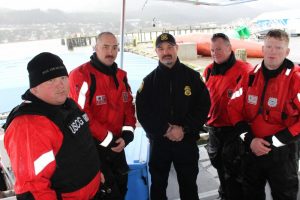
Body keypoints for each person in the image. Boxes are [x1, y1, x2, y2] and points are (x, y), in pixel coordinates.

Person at [2, 52, 102, 199]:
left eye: (62, 78)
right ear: (34, 88)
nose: (60, 85)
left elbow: (83, 145)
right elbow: (33, 190)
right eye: (50, 81)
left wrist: (97, 175)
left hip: (95, 191)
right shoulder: (28, 126)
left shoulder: (68, 105)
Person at [136, 32, 211, 200]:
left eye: (170, 47)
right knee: (158, 186)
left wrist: (184, 128)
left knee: (189, 185)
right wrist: (166, 129)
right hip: (160, 143)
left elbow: (203, 107)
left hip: (186, 142)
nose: (166, 52)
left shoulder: (193, 77)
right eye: (161, 49)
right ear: (156, 52)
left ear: (177, 48)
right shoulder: (148, 82)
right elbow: (143, 112)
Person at [228, 29, 300, 200]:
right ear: (262, 49)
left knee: (284, 195)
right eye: (268, 46)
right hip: (252, 149)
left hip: (283, 153)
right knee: (251, 192)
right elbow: (233, 108)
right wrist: (250, 139)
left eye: (278, 47)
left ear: (287, 51)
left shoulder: (296, 80)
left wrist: (273, 142)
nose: (272, 51)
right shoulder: (249, 76)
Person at [68, 32, 136, 200]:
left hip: (117, 147)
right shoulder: (81, 75)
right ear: (95, 48)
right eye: (105, 47)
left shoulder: (121, 76)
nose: (110, 52)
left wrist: (127, 135)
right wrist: (108, 139)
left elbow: (128, 107)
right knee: (105, 194)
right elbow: (82, 114)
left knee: (122, 188)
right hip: (94, 150)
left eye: (114, 48)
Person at [203, 33, 252, 200]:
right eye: (212, 50)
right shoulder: (209, 71)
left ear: (229, 48)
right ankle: (224, 194)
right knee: (218, 164)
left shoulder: (245, 70)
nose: (215, 53)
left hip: (235, 129)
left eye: (218, 49)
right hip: (215, 129)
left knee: (235, 171)